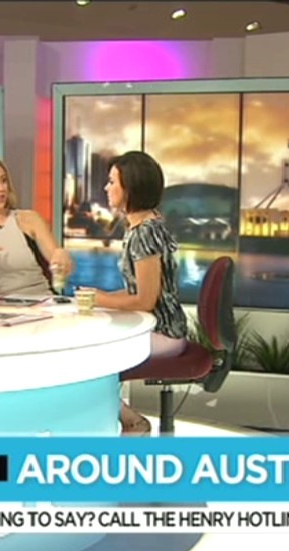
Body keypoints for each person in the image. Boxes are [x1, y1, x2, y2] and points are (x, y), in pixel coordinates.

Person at [82, 151, 189, 435]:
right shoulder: (145, 226)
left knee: (89, 356)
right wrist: (101, 299)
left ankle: (132, 422)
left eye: (112, 182)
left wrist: (99, 299)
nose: (106, 187)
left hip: (165, 333)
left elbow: (145, 300)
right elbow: (138, 291)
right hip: (161, 328)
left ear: (130, 188)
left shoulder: (144, 234)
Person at [0, 156, 72, 296]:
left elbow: (57, 259)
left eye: (4, 181)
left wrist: (62, 260)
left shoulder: (29, 219)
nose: (0, 188)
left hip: (41, 299)